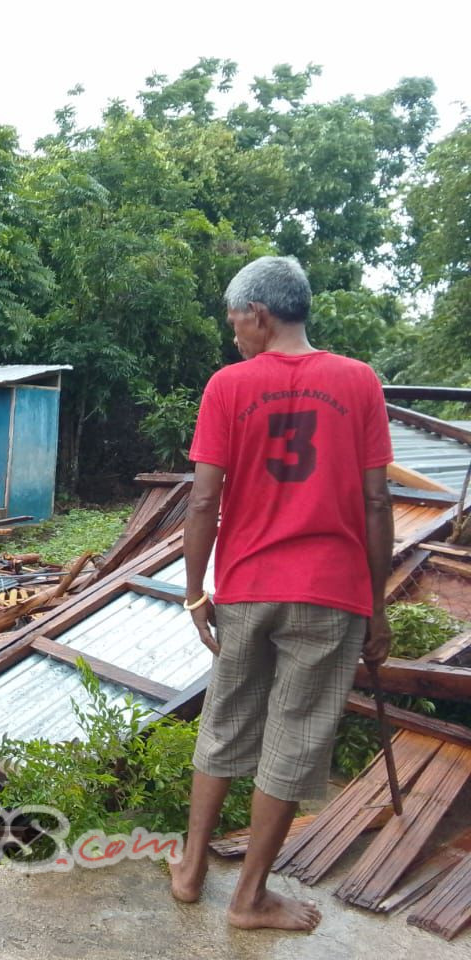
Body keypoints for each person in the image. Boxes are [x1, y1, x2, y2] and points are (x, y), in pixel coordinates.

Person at [168, 256, 394, 931]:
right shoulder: (358, 382)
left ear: (258, 315)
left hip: (245, 588)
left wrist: (194, 593)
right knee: (295, 740)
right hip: (329, 594)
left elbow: (204, 500)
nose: (233, 331)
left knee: (224, 724)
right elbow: (377, 500)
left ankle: (190, 868)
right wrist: (376, 606)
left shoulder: (228, 387)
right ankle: (250, 899)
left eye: (235, 319)